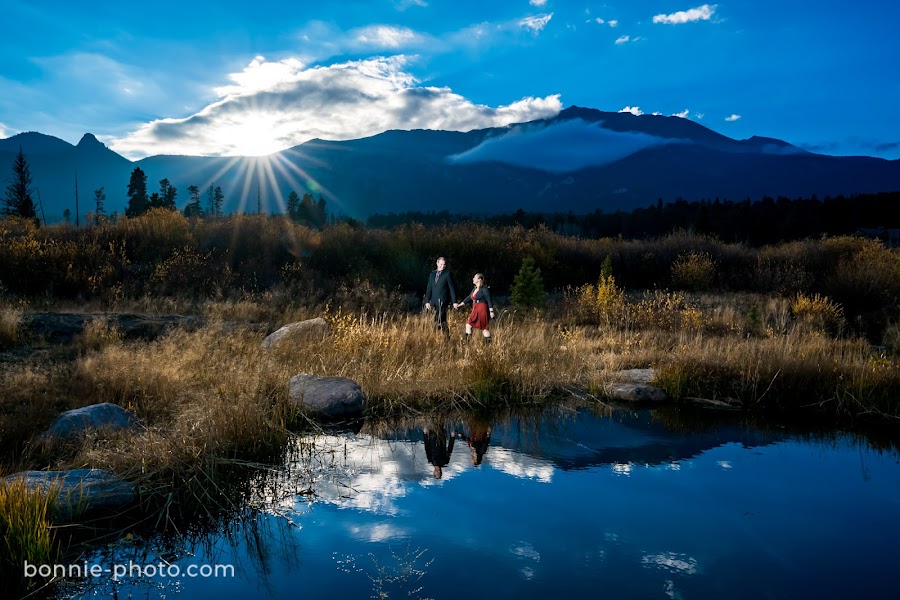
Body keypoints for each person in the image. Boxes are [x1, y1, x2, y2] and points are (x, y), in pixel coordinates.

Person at [454, 273, 494, 344]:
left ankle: (489, 344)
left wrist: (491, 311)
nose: (473, 278)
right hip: (475, 308)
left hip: (482, 309)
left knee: (484, 328)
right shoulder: (475, 289)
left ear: (479, 279)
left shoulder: (484, 289)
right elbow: (469, 298)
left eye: (475, 277)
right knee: (468, 325)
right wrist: (460, 305)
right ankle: (467, 344)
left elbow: (489, 299)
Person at [424, 257, 457, 337]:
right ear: (437, 263)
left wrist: (454, 301)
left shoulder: (447, 274)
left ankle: (434, 335)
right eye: (441, 264)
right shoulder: (432, 274)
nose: (442, 266)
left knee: (438, 318)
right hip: (434, 300)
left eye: (444, 264)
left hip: (443, 300)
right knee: (443, 321)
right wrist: (427, 301)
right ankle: (446, 337)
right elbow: (429, 288)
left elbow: (452, 288)